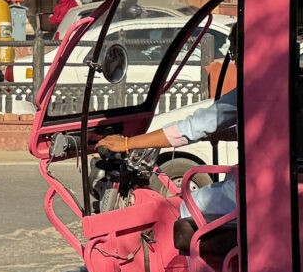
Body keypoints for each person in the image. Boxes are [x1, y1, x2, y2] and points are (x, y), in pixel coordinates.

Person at [95, 88, 239, 223]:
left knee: (184, 210)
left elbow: (193, 127)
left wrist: (127, 143)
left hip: (245, 190)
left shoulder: (246, 90)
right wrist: (214, 135)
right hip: (243, 182)